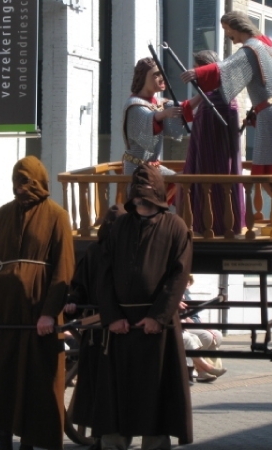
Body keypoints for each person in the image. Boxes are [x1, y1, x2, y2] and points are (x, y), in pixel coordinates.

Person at [0, 156, 75, 450]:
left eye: (26, 181)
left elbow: (64, 268)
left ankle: (31, 441)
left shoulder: (57, 216)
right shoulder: (1, 215)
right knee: (0, 376)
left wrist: (49, 313)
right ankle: (2, 438)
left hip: (37, 313)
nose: (21, 188)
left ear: (39, 180)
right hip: (2, 314)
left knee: (36, 379)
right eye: (17, 181)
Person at [92, 164, 193, 450]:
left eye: (146, 198)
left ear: (158, 195)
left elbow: (178, 275)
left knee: (155, 392)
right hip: (120, 325)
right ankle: (114, 443)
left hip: (155, 328)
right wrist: (111, 316)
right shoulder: (119, 226)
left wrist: (158, 317)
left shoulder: (176, 226)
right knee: (117, 394)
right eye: (136, 198)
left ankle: (155, 444)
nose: (140, 203)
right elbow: (105, 272)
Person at [181, 11, 272, 222]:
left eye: (226, 29)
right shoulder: (267, 44)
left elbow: (227, 68)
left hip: (271, 113)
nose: (227, 35)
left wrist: (198, 74)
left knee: (268, 175)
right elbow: (265, 83)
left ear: (236, 26)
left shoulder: (251, 48)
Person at [66, 204, 127, 437]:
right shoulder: (93, 252)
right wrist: (73, 302)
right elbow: (80, 286)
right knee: (97, 385)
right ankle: (101, 433)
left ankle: (115, 432)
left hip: (121, 330)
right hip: (96, 333)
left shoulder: (129, 252)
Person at [181, 50, 245, 236]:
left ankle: (211, 223)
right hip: (224, 165)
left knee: (213, 185)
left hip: (212, 167)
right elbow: (192, 104)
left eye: (198, 70)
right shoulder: (227, 96)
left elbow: (204, 142)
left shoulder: (214, 102)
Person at [122, 57, 184, 185]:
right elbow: (149, 118)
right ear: (144, 78)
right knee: (143, 202)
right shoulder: (134, 105)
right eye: (156, 74)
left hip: (154, 167)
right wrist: (164, 114)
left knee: (182, 182)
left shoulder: (159, 103)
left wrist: (204, 96)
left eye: (162, 73)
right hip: (138, 169)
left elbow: (184, 108)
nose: (162, 78)